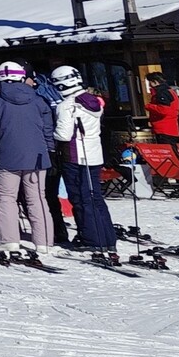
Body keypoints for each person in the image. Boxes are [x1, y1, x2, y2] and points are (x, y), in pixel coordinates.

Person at [0, 61, 57, 260]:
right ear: (22, 77)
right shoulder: (39, 100)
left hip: (7, 156)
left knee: (6, 198)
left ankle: (10, 240)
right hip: (37, 157)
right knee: (37, 198)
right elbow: (47, 129)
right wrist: (51, 151)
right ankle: (44, 242)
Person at [51, 67, 118, 253]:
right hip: (94, 154)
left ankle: (91, 238)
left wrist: (50, 134)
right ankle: (107, 237)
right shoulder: (94, 101)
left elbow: (64, 135)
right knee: (95, 196)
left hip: (75, 156)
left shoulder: (67, 105)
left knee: (80, 197)